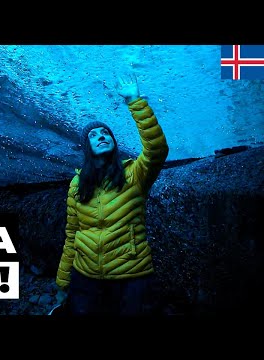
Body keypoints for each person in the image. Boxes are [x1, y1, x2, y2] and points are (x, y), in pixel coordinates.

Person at [54, 74, 169, 316]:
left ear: (114, 142)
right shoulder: (77, 184)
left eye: (105, 133)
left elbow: (156, 149)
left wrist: (135, 101)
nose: (102, 136)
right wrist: (63, 281)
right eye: (93, 135)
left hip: (131, 275)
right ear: (87, 147)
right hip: (85, 276)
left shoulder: (135, 175)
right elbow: (72, 233)